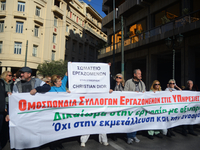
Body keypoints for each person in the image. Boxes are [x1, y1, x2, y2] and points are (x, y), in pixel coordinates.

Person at [124, 69, 145, 144]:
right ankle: (129, 137)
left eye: (140, 74)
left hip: (138, 105)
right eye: (139, 74)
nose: (140, 75)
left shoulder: (142, 83)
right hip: (130, 105)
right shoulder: (128, 82)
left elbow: (144, 93)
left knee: (135, 121)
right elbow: (125, 93)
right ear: (134, 74)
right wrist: (133, 93)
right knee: (130, 121)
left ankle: (134, 135)